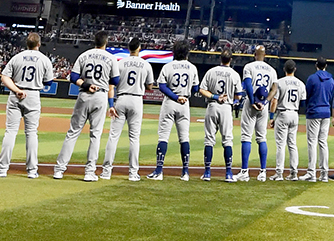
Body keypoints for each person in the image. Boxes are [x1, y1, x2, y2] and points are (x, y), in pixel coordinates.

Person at [53, 31, 118, 181]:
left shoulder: (84, 55)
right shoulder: (111, 58)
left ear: (94, 41)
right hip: (100, 96)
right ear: (105, 42)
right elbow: (115, 80)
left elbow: (73, 77)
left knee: (73, 132)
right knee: (95, 135)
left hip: (84, 94)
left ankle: (59, 170)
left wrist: (87, 84)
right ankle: (89, 172)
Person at [0, 31, 53, 179]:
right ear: (38, 44)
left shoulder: (17, 57)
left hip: (16, 94)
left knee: (10, 132)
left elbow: (4, 77)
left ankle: (2, 170)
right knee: (31, 133)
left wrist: (17, 90)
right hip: (33, 95)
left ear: (27, 44)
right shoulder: (44, 59)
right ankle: (32, 171)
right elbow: (49, 82)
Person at [102, 38, 154, 182]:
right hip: (136, 100)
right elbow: (150, 86)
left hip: (121, 98)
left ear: (128, 48)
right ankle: (133, 173)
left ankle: (106, 172)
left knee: (113, 136)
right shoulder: (146, 64)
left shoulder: (120, 62)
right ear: (139, 48)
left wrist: (111, 104)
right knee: (134, 138)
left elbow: (111, 84)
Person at [148, 40, 198, 181]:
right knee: (184, 137)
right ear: (187, 53)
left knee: (163, 136)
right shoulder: (192, 68)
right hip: (184, 104)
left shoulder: (168, 66)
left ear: (174, 52)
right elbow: (195, 88)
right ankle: (185, 172)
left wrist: (176, 97)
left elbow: (162, 86)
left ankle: (159, 171)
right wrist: (183, 96)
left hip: (170, 102)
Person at [199, 50, 242, 182]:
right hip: (226, 108)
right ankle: (228, 174)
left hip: (212, 105)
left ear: (220, 58)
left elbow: (201, 90)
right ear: (231, 60)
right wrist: (234, 101)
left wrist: (215, 96)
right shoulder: (234, 74)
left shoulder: (211, 71)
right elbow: (239, 95)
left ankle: (207, 173)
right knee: (227, 140)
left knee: (209, 140)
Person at [237, 45, 277, 182]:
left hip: (251, 103)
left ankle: (244, 172)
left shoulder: (249, 66)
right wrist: (265, 102)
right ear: (265, 55)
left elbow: (248, 85)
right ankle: (263, 172)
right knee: (262, 138)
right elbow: (274, 89)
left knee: (246, 137)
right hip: (263, 105)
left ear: (254, 54)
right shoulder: (272, 70)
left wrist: (253, 101)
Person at [271, 60, 308, 181]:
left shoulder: (279, 82)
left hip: (283, 113)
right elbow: (303, 101)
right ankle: (294, 173)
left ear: (284, 69)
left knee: (281, 145)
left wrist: (271, 117)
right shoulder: (301, 83)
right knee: (292, 144)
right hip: (294, 114)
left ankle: (279, 173)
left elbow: (274, 101)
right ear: (295, 69)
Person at [304, 57, 334, 182]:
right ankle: (324, 174)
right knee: (323, 142)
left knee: (312, 142)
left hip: (314, 111)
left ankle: (311, 173)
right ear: (325, 66)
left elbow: (307, 95)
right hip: (326, 112)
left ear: (316, 65)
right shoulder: (331, 80)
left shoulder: (312, 78)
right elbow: (331, 95)